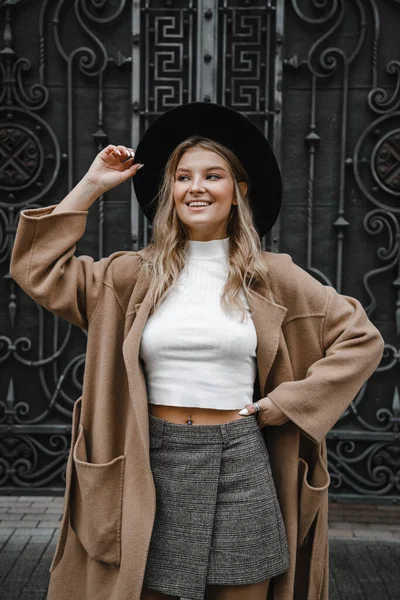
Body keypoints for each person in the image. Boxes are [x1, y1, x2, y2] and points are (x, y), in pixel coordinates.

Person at [9, 102, 384, 600]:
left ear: (238, 192)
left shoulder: (276, 277)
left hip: (242, 460)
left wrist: (289, 404)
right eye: (183, 177)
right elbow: (37, 269)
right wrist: (93, 184)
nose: (197, 187)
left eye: (213, 175)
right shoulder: (129, 276)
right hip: (149, 462)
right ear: (171, 192)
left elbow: (362, 339)